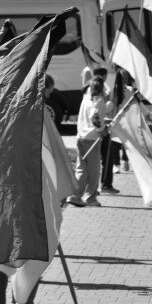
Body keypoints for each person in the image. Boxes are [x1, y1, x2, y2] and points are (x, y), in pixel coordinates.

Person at [66, 77, 111, 207]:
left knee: (81, 168)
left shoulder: (86, 98)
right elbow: (94, 116)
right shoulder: (99, 100)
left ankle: (74, 195)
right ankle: (90, 198)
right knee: (94, 170)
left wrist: (102, 121)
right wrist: (102, 128)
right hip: (92, 139)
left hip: (81, 136)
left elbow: (91, 115)